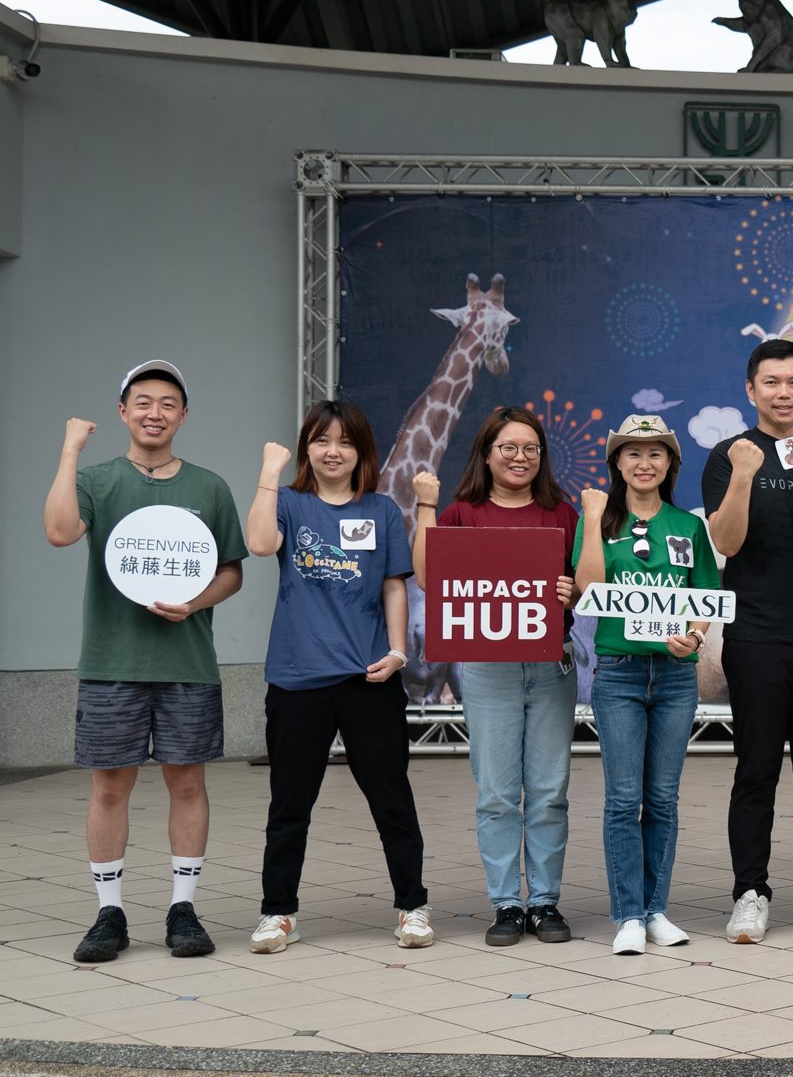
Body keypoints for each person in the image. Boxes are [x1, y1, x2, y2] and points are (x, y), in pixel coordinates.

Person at [44, 360, 247, 963]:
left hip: (187, 662)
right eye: (142, 401)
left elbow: (232, 571)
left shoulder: (209, 487)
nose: (154, 412)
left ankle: (183, 908)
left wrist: (195, 602)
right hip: (111, 661)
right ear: (123, 412)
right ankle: (109, 912)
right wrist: (69, 449)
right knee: (110, 786)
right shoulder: (97, 479)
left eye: (167, 403)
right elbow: (58, 532)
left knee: (188, 782)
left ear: (184, 416)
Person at [245, 401, 429, 953]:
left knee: (392, 799)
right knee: (289, 804)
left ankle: (412, 907)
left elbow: (395, 585)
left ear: (360, 452)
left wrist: (399, 652)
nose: (333, 451)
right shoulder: (291, 504)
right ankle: (278, 913)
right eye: (322, 440)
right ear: (306, 448)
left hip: (370, 681)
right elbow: (259, 544)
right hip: (298, 680)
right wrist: (268, 475)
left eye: (345, 441)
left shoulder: (382, 511)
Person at [411, 406, 578, 947]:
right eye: (508, 447)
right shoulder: (460, 514)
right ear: (487, 453)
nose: (520, 457)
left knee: (550, 791)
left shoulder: (562, 513)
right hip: (487, 669)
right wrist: (427, 506)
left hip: (551, 664)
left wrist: (572, 592)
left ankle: (545, 902)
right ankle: (507, 904)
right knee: (497, 794)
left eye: (531, 448)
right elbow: (428, 575)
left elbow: (588, 579)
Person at [701, 340, 793, 943]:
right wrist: (741, 475)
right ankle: (750, 892)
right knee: (755, 770)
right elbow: (727, 543)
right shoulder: (725, 456)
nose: (783, 392)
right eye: (771, 382)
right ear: (750, 390)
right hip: (755, 636)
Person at [575, 413, 716, 955]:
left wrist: (693, 635)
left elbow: (703, 597)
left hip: (676, 677)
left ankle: (656, 908)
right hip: (618, 674)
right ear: (617, 463)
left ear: (670, 464)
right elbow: (588, 588)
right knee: (622, 799)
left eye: (655, 453)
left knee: (662, 799)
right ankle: (627, 914)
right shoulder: (601, 520)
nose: (644, 462)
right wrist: (591, 518)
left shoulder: (687, 526)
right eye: (632, 453)